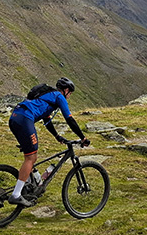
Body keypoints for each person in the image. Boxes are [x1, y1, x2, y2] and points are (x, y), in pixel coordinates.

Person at [7, 77, 88, 207]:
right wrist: (82, 137)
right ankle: (16, 195)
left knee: (30, 156)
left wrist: (57, 136)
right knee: (31, 157)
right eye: (70, 93)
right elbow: (69, 119)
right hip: (25, 119)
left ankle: (27, 186)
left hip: (15, 118)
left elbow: (46, 120)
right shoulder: (58, 97)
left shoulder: (47, 96)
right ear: (66, 90)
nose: (69, 96)